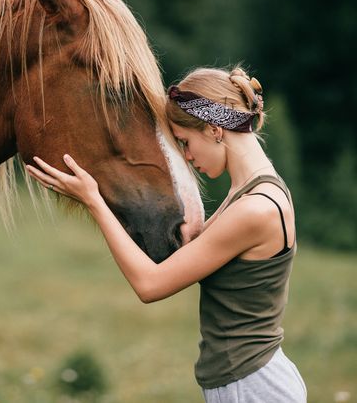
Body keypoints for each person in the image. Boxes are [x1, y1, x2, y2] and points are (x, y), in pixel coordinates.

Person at [25, 67, 307, 402]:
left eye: (185, 143)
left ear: (216, 129)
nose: (187, 156)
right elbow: (192, 250)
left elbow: (151, 285)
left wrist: (94, 201)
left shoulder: (254, 210)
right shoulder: (253, 192)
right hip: (245, 379)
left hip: (252, 386)